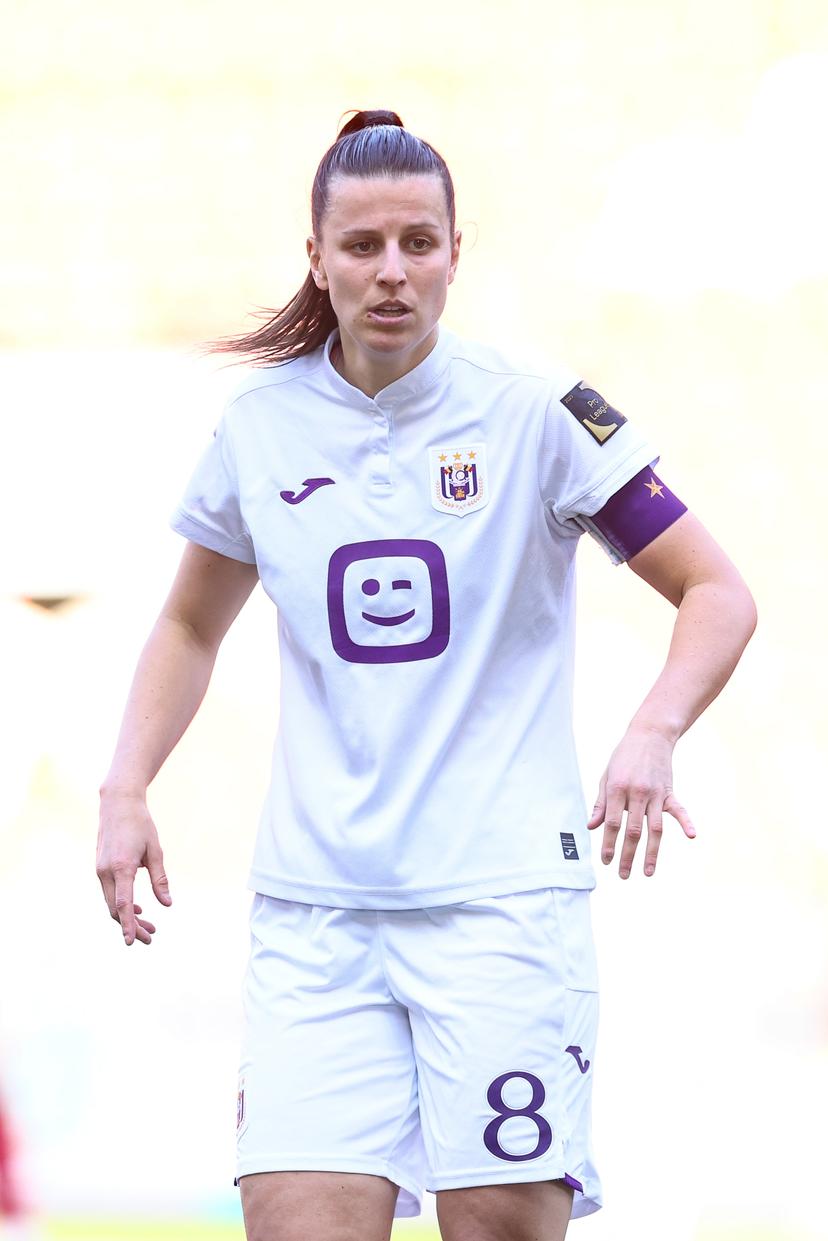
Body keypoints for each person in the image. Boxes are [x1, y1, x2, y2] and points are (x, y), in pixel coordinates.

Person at [96, 110, 757, 1241]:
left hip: (501, 905)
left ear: (458, 250)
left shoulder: (541, 411)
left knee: (497, 1222)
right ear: (316, 257)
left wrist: (654, 729)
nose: (393, 271)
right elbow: (189, 626)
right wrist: (124, 787)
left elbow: (718, 591)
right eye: (362, 246)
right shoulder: (259, 427)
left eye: (419, 242)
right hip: (318, 911)